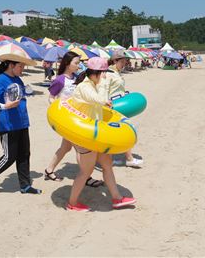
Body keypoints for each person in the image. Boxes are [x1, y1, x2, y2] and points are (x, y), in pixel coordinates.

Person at [67, 57, 136, 211]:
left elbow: (101, 102)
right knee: (86, 172)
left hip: (97, 134)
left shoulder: (93, 84)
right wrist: (104, 84)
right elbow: (100, 99)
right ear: (97, 73)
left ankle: (117, 199)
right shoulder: (84, 87)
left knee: (107, 165)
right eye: (104, 74)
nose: (105, 77)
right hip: (86, 135)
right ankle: (72, 203)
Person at [44, 51, 104, 187]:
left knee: (65, 147)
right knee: (80, 148)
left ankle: (49, 170)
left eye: (79, 63)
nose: (78, 65)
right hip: (67, 120)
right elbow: (51, 97)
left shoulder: (77, 77)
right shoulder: (60, 80)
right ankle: (86, 176)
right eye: (76, 63)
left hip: (77, 118)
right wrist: (59, 109)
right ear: (67, 63)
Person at [0, 55, 42, 195]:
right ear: (11, 65)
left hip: (22, 122)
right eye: (20, 66)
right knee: (9, 156)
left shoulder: (18, 79)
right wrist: (5, 106)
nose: (22, 69)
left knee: (24, 154)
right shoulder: (0, 80)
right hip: (8, 124)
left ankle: (25, 185)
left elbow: (19, 97)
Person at [107, 51, 143, 168]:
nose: (124, 64)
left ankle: (110, 159)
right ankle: (129, 159)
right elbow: (103, 90)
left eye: (125, 62)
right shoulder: (108, 74)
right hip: (112, 107)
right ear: (114, 61)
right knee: (124, 129)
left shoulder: (117, 73)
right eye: (122, 62)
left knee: (114, 132)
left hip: (119, 105)